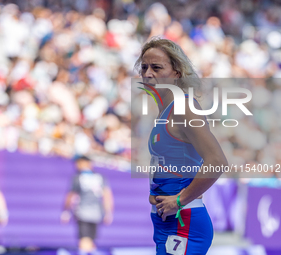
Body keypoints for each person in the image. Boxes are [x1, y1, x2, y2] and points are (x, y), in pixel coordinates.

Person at [135, 38, 228, 255]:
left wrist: (179, 199)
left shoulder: (183, 107)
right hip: (166, 223)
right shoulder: (166, 110)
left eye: (157, 67)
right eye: (144, 67)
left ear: (177, 72)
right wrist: (156, 192)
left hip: (183, 221)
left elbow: (217, 161)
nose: (148, 73)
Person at [61, 156, 114, 254]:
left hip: (82, 213)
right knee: (91, 241)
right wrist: (108, 212)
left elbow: (71, 196)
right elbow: (107, 196)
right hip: (96, 214)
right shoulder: (100, 177)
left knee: (84, 241)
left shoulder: (78, 177)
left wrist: (66, 211)